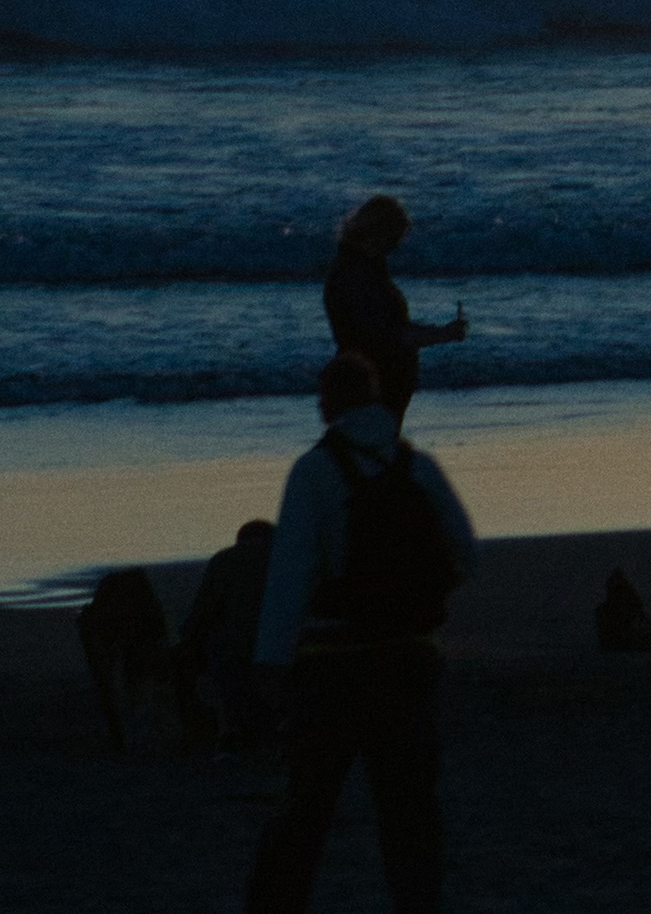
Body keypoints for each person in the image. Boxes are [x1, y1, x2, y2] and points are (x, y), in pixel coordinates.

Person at [249, 349, 477, 914]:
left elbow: (290, 574)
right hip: (408, 660)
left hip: (333, 664)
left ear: (328, 402)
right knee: (409, 810)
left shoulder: (316, 470)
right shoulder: (417, 466)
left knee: (306, 810)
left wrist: (270, 662)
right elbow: (466, 554)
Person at [321, 195, 469, 414]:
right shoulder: (355, 276)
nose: (395, 247)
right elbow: (387, 334)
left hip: (374, 382)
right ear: (377, 233)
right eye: (393, 238)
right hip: (372, 384)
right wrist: (441, 334)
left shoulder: (361, 270)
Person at [176, 515, 281, 750]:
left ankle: (215, 729)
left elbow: (204, 610)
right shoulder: (285, 558)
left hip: (234, 651)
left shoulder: (224, 560)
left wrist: (188, 640)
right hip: (284, 646)